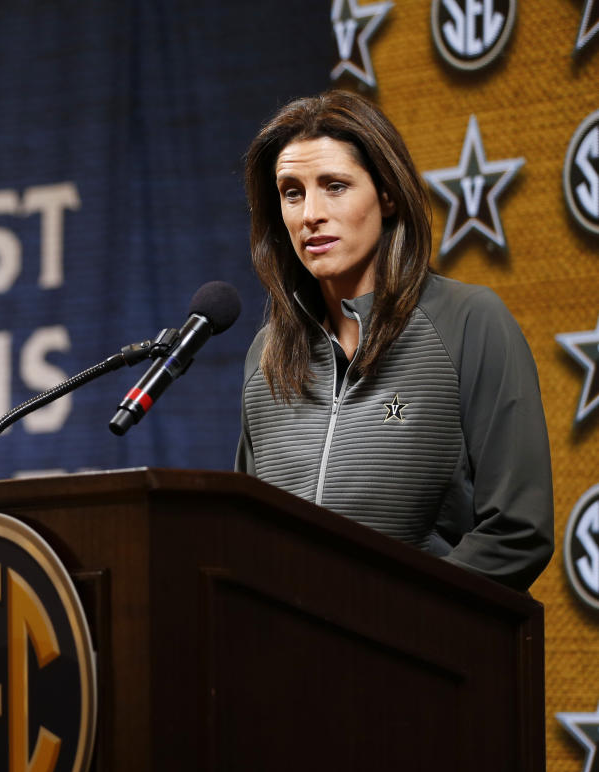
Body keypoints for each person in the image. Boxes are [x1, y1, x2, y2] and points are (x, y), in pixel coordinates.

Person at [234, 90, 553, 591]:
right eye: (292, 192)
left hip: (418, 655)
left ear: (386, 195)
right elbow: (246, 537)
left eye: (335, 186)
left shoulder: (470, 321)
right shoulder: (268, 353)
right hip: (284, 659)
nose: (309, 213)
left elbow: (517, 530)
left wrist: (395, 619)